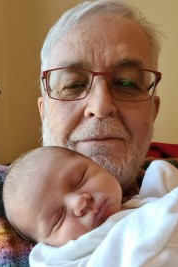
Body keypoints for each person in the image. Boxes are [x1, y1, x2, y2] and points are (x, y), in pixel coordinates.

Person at [38, 0, 162, 199]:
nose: (101, 106)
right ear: (43, 112)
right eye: (73, 85)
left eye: (126, 83)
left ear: (153, 111)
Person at [2, 146, 178, 267]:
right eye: (58, 218)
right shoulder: (62, 257)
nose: (79, 202)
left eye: (80, 179)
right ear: (45, 244)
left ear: (100, 167)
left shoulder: (139, 204)